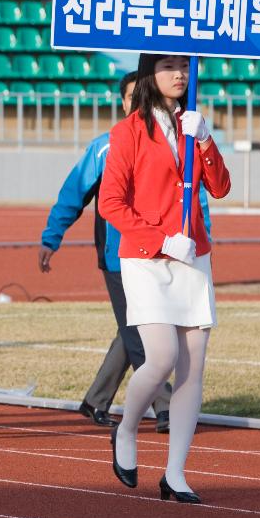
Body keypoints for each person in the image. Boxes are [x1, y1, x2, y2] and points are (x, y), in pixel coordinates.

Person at [99, 53, 231, 504]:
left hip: (193, 256)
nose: (180, 74)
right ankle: (127, 428)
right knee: (160, 358)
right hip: (147, 257)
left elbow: (221, 187)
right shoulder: (129, 131)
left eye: (185, 66)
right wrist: (160, 239)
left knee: (193, 367)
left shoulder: (192, 125)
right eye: (168, 66)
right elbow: (110, 204)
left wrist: (207, 141)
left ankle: (175, 473)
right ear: (148, 76)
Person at [39, 72, 173, 433]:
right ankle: (166, 406)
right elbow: (73, 194)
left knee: (133, 328)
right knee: (140, 331)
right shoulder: (105, 146)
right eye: (131, 96)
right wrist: (51, 238)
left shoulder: (170, 143)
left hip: (161, 254)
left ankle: (96, 400)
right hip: (118, 256)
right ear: (123, 102)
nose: (137, 101)